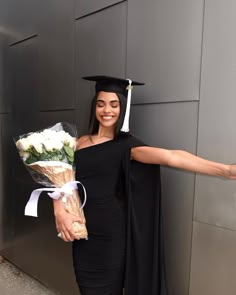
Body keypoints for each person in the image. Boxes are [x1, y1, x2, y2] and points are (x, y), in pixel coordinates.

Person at [53, 76, 236, 295]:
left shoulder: (128, 147)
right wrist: (59, 211)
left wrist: (225, 170)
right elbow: (59, 181)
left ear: (122, 108)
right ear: (94, 107)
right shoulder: (78, 142)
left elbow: (171, 157)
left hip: (111, 236)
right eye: (101, 104)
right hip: (82, 235)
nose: (107, 110)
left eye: (114, 104)